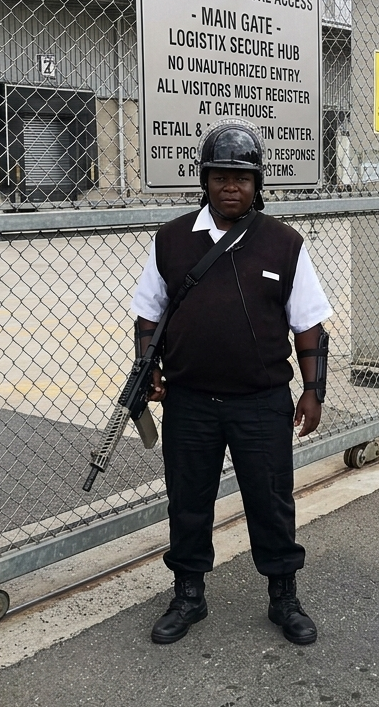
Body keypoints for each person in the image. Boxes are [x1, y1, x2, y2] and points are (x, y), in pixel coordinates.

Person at [129, 120, 332, 646]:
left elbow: (308, 324)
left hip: (261, 402)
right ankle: (188, 594)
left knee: (271, 500)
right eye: (220, 176)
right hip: (191, 400)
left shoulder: (284, 245)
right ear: (205, 179)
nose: (231, 187)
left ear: (258, 182)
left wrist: (312, 390)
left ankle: (283, 595)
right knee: (188, 500)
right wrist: (146, 366)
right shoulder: (172, 241)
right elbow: (148, 314)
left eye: (242, 177)